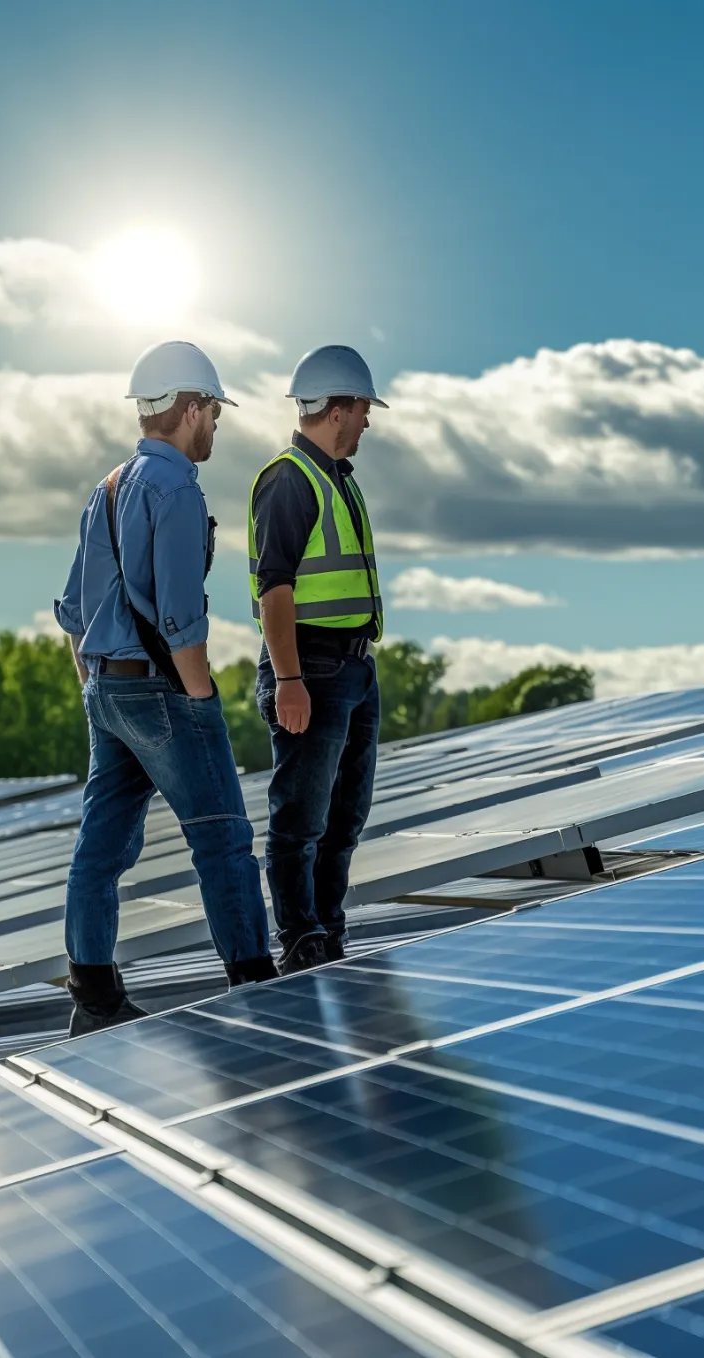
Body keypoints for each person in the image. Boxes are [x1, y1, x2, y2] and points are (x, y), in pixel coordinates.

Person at [55, 340, 277, 1036]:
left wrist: (100, 684)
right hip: (162, 692)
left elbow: (70, 610)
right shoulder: (176, 487)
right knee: (223, 839)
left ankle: (93, 998)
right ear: (189, 407)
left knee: (101, 848)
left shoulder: (110, 486)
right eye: (212, 411)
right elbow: (181, 616)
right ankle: (259, 988)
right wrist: (200, 702)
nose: (215, 425)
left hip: (107, 692)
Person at [249, 345, 386, 974]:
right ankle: (301, 938)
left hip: (354, 667)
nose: (367, 422)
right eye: (362, 410)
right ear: (340, 407)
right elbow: (273, 588)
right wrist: (289, 680)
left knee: (344, 816)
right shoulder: (288, 481)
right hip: (312, 669)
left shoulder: (339, 479)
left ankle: (328, 929)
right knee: (300, 818)